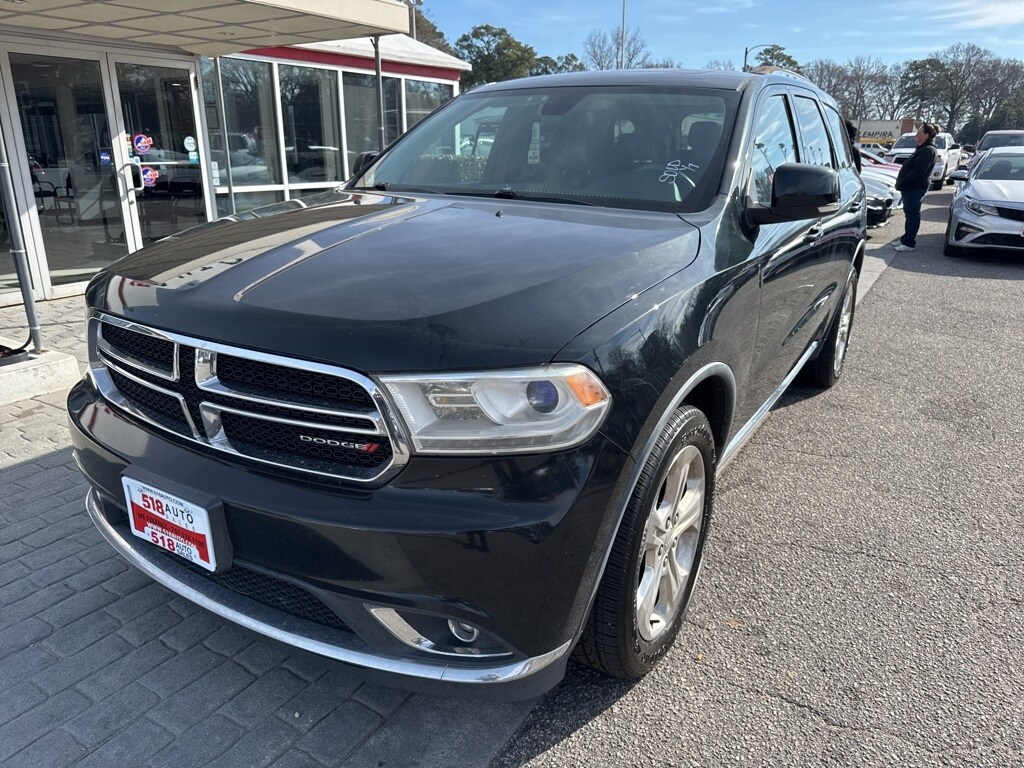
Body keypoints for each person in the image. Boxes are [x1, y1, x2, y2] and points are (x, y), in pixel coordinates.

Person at [893, 123, 938, 252]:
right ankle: (905, 238)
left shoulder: (928, 150)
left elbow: (918, 172)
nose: (916, 135)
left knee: (913, 215)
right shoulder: (921, 148)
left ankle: (909, 243)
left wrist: (903, 182)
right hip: (910, 188)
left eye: (919, 132)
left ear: (926, 135)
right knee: (909, 214)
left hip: (915, 187)